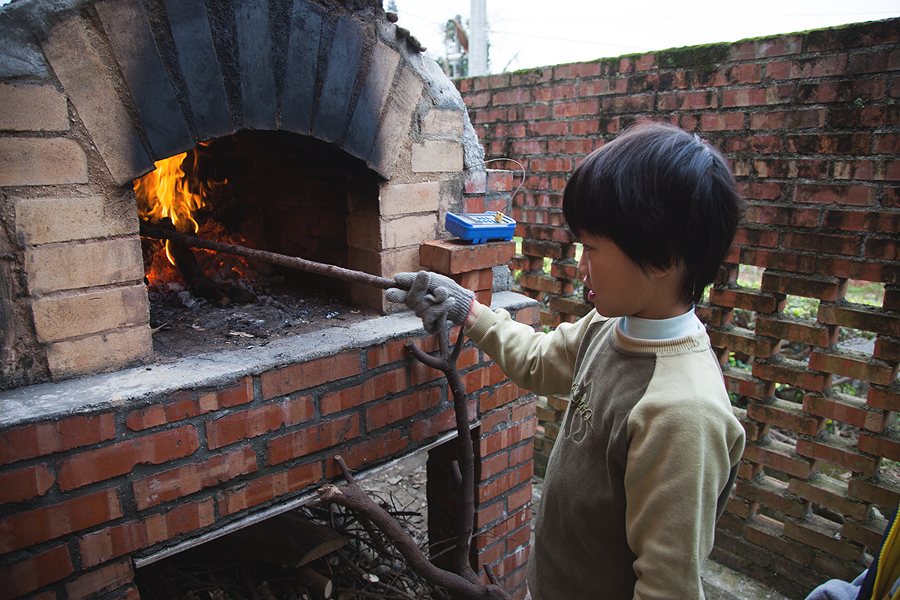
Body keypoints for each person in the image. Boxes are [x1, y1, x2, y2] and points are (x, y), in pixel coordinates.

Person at [387, 121, 747, 600]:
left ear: (662, 256)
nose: (579, 264)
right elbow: (538, 360)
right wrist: (464, 308)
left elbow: (667, 587)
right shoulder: (610, 326)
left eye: (592, 248)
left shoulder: (683, 414)